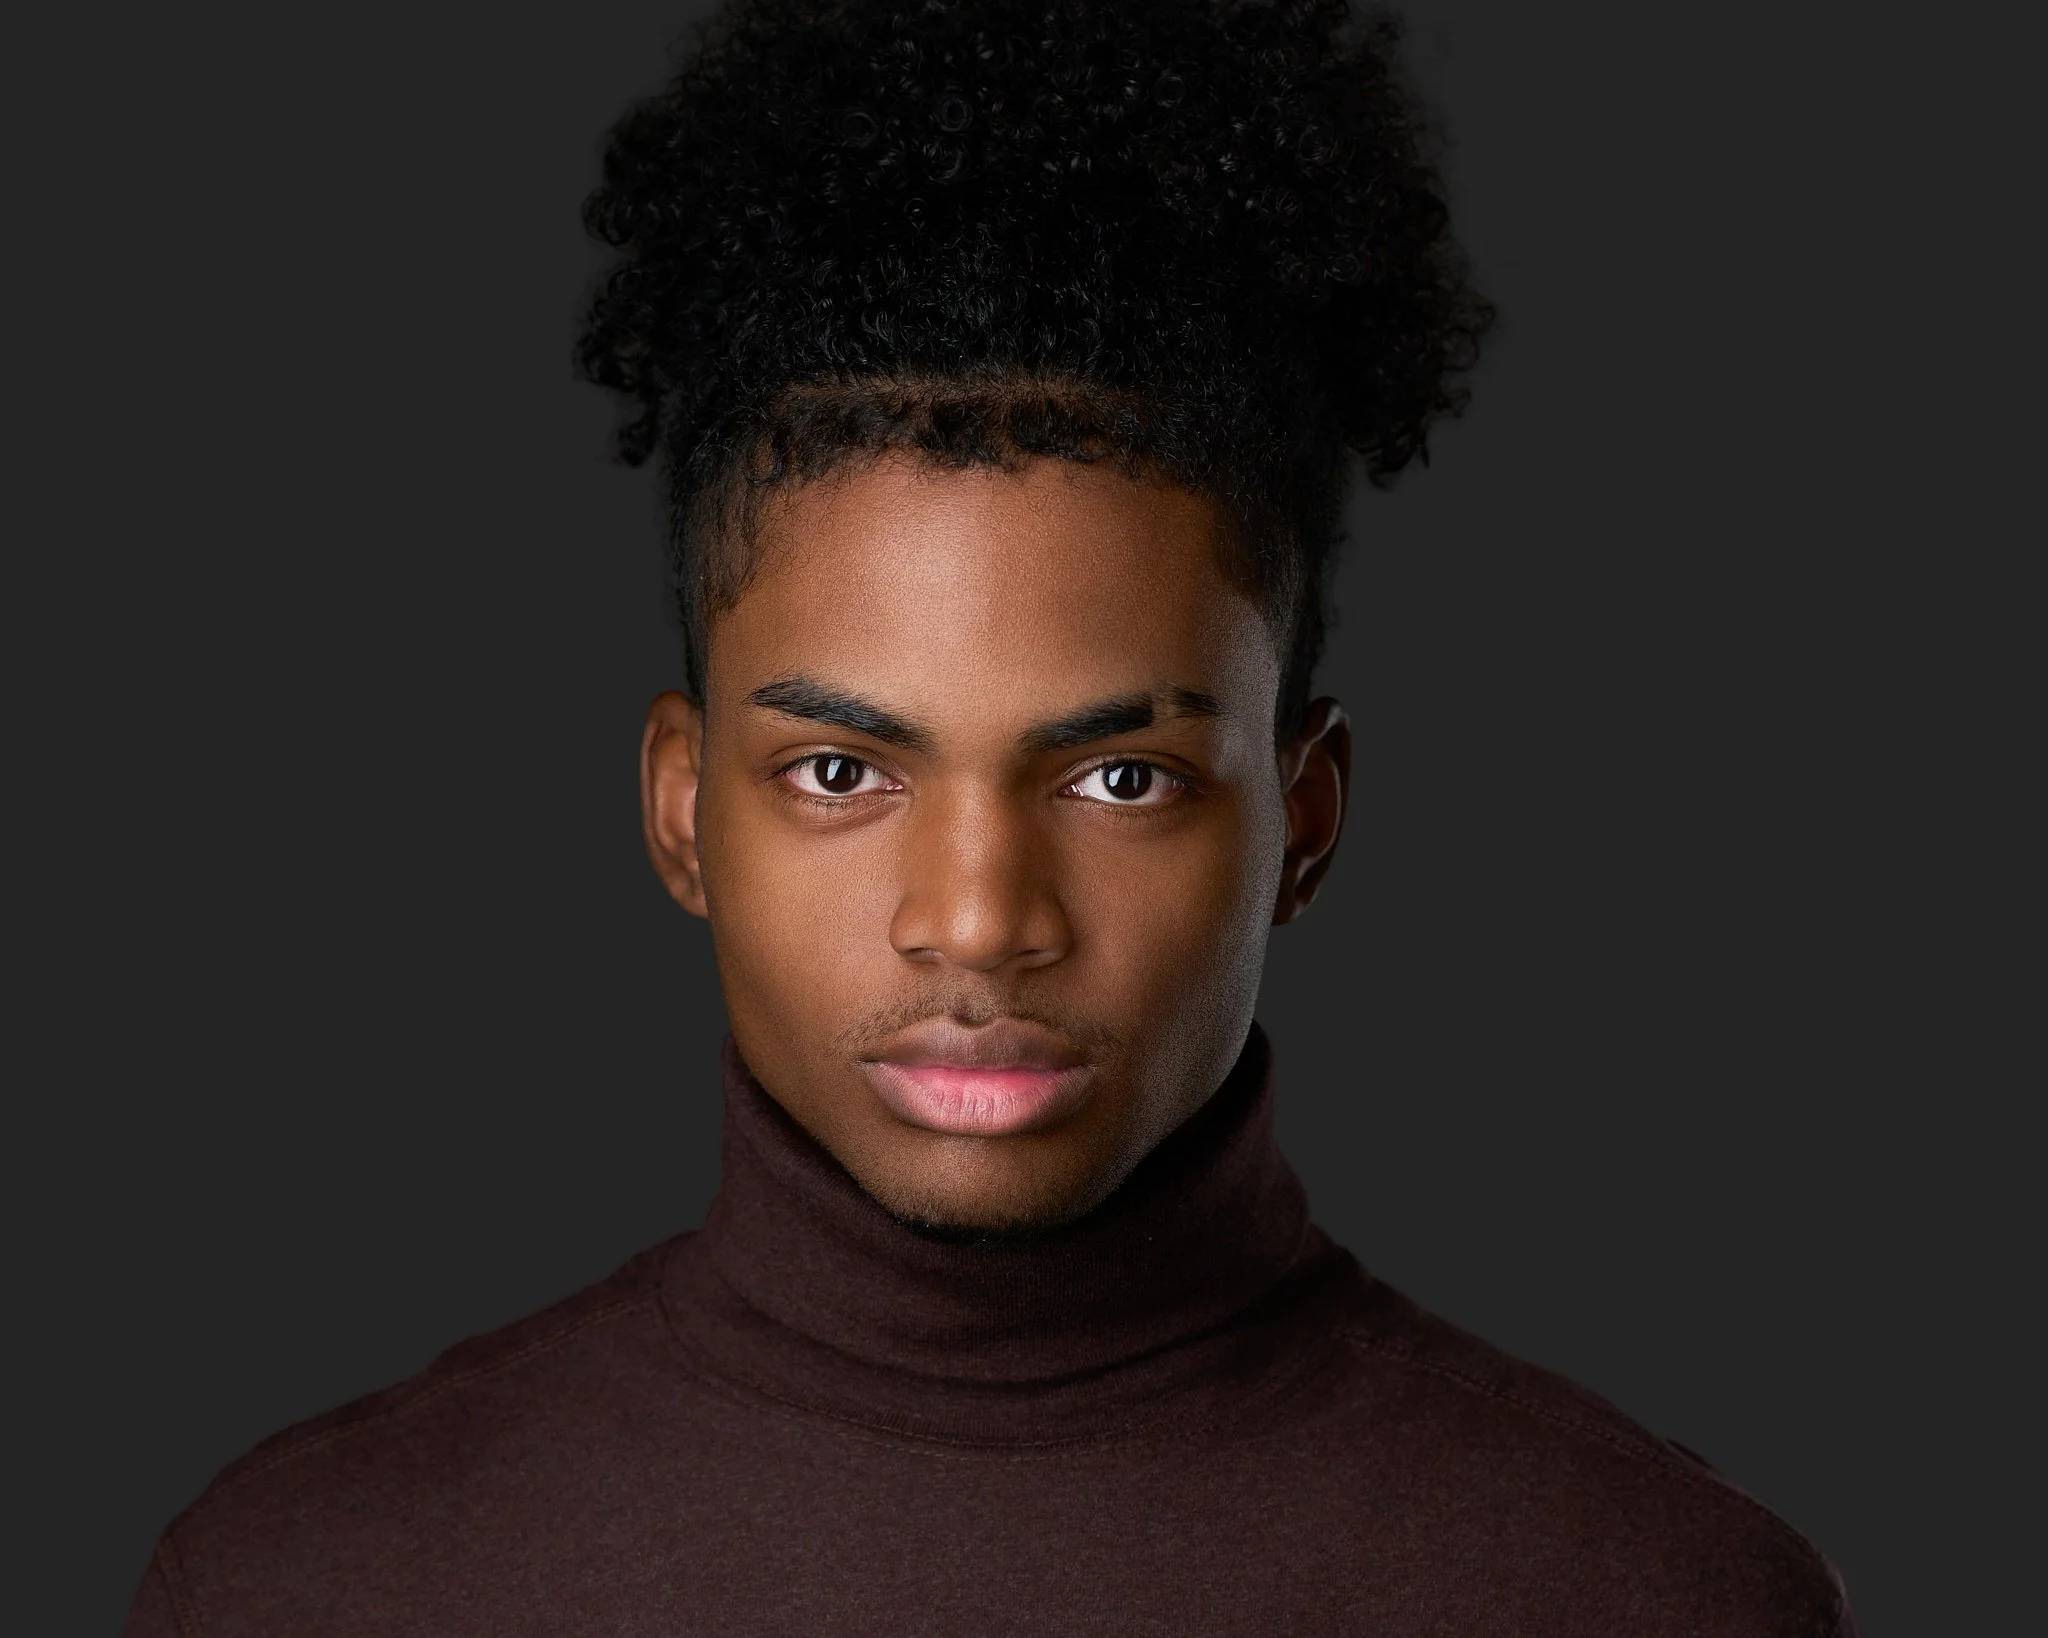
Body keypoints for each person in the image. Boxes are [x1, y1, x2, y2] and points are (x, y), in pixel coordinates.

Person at [124, 1, 1855, 1632]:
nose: (975, 916)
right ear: (680, 811)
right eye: (840, 772)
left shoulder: (1651, 1592)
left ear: (1306, 817)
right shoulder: (312, 1582)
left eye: (1121, 776)